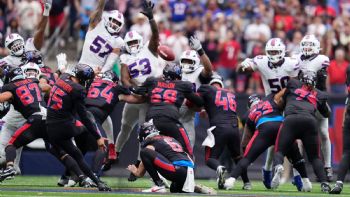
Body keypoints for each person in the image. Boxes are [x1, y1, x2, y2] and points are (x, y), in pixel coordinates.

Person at [237, 38, 301, 189]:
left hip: (290, 102)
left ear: (282, 52)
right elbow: (241, 69)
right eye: (271, 52)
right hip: (272, 105)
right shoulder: (261, 61)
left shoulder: (291, 63)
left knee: (296, 141)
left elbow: (300, 81)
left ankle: (298, 176)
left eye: (276, 52)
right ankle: (267, 170)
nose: (273, 55)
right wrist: (243, 66)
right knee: (274, 142)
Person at [0, 0, 52, 175]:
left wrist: (46, 12)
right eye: (12, 46)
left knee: (53, 141)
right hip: (22, 102)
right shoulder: (6, 62)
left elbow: (40, 31)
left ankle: (10, 165)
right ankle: (11, 165)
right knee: (13, 135)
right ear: (7, 49)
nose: (17, 47)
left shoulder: (32, 47)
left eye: (18, 43)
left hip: (34, 100)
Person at [115, 0, 165, 180]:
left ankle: (138, 164)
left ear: (141, 41)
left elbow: (156, 36)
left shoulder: (149, 49)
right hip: (136, 95)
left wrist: (152, 20)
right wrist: (135, 88)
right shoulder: (125, 58)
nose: (135, 44)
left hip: (148, 99)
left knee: (143, 133)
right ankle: (116, 153)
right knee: (125, 127)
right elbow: (124, 78)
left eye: (137, 41)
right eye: (131, 42)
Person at [224, 94, 311, 191]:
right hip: (282, 126)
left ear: (249, 106)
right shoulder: (270, 99)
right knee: (297, 157)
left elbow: (245, 140)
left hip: (265, 128)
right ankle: (306, 182)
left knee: (247, 158)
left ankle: (231, 181)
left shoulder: (248, 114)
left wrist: (246, 153)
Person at [46, 64, 110, 191]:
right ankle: (93, 178)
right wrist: (98, 137)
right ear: (82, 79)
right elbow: (84, 116)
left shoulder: (63, 77)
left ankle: (93, 181)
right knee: (87, 125)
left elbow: (63, 73)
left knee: (76, 154)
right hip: (66, 127)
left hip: (50, 128)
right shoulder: (78, 89)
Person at [272, 71, 331, 193]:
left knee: (280, 150)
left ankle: (278, 166)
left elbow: (282, 102)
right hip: (309, 122)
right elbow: (326, 113)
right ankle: (324, 183)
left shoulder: (293, 84)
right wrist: (321, 103)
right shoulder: (319, 94)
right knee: (315, 157)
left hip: (291, 119)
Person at [131, 63, 203, 158]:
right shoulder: (183, 85)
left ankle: (138, 168)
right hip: (170, 119)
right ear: (178, 76)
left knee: (148, 149)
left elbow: (137, 90)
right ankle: (188, 170)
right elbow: (199, 102)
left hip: (151, 121)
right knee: (187, 150)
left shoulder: (153, 81)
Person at [195, 76, 250, 190]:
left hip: (219, 127)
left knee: (210, 159)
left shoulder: (208, 89)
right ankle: (247, 183)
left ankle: (219, 168)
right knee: (237, 157)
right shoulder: (231, 93)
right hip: (234, 128)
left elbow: (198, 101)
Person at [295, 34, 332, 181]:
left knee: (323, 133)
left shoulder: (321, 59)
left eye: (311, 44)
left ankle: (328, 166)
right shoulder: (296, 59)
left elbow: (321, 84)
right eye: (305, 44)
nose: (307, 47)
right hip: (302, 101)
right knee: (298, 137)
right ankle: (299, 172)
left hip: (317, 99)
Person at [127, 120, 195, 193]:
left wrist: (137, 172)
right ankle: (194, 186)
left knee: (144, 152)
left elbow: (146, 155)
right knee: (174, 189)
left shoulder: (152, 141)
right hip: (189, 171)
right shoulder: (169, 138)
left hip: (177, 170)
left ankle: (159, 185)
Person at [178, 36, 213, 148]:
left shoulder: (198, 71)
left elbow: (208, 70)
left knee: (188, 147)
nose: (187, 63)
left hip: (189, 112)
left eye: (190, 61)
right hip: (172, 112)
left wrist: (200, 50)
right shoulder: (176, 71)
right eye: (185, 61)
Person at [329, 66, 350, 194]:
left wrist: (343, 120)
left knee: (347, 153)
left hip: (348, 118)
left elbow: (347, 102)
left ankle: (339, 183)